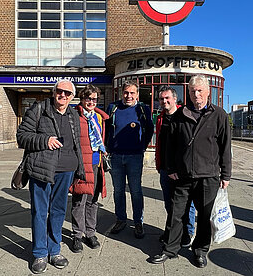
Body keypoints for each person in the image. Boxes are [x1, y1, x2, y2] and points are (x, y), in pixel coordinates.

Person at [150, 75, 232, 268]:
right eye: (193, 91)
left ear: (208, 91)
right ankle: (170, 249)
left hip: (208, 176)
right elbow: (169, 146)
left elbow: (225, 147)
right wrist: (170, 168)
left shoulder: (219, 115)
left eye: (200, 90)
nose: (196, 95)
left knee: (204, 217)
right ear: (188, 93)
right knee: (176, 214)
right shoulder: (179, 115)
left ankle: (200, 251)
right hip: (183, 176)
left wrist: (226, 175)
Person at [16, 79, 85, 274]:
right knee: (39, 211)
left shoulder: (73, 114)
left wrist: (79, 167)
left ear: (72, 97)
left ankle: (55, 250)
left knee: (58, 211)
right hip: (41, 168)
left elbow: (77, 144)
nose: (62, 95)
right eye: (59, 91)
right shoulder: (39, 109)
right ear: (54, 92)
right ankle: (39, 253)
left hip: (66, 170)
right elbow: (22, 136)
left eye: (67, 93)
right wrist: (45, 140)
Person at [105, 80, 154, 238]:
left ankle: (138, 222)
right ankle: (121, 219)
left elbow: (150, 130)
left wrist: (142, 147)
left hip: (134, 157)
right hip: (116, 157)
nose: (129, 96)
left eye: (132, 93)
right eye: (126, 92)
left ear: (137, 94)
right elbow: (106, 129)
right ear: (122, 93)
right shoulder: (113, 108)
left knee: (136, 191)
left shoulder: (143, 109)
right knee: (118, 191)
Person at [155, 86, 196, 247]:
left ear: (174, 99)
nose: (164, 101)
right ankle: (172, 230)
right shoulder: (160, 118)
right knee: (169, 203)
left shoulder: (185, 116)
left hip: (182, 170)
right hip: (165, 168)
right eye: (161, 99)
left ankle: (188, 232)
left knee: (187, 204)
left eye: (167, 98)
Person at [70, 84, 109, 253]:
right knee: (79, 201)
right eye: (88, 98)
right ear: (82, 98)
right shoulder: (75, 116)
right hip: (81, 165)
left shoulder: (98, 118)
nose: (91, 102)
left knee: (93, 201)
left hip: (96, 163)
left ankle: (90, 233)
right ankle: (77, 235)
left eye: (94, 99)